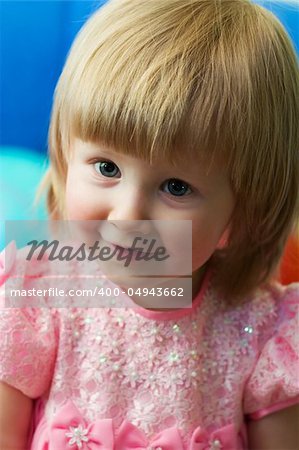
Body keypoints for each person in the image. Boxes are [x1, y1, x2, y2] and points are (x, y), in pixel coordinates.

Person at [0, 0, 298, 448]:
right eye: (105, 168)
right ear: (66, 159)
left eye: (176, 187)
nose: (127, 216)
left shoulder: (264, 332)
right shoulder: (37, 299)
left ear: (241, 216)